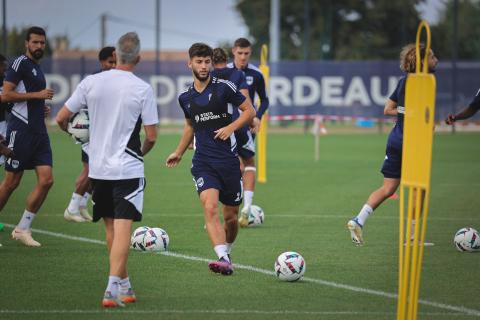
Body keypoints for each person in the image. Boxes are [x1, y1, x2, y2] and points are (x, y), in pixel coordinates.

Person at [56, 32, 158, 307]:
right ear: (138, 57)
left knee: (111, 228)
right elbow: (151, 137)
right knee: (123, 228)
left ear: (116, 54)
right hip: (128, 168)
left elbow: (61, 118)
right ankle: (111, 288)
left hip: (98, 169)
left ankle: (124, 285)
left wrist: (79, 137)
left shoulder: (91, 82)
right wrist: (141, 155)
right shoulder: (142, 88)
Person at [166, 43, 255, 275]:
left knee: (231, 218)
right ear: (190, 64)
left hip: (228, 162)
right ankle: (223, 258)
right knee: (210, 207)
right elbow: (189, 127)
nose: (204, 66)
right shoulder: (185, 97)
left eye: (207, 62)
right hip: (203, 162)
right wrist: (178, 151)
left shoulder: (224, 87)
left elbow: (249, 111)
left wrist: (231, 127)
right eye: (199, 62)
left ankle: (228, 249)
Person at [347, 43, 438, 246]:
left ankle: (358, 220)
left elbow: (388, 109)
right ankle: (412, 238)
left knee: (388, 188)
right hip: (413, 142)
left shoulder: (404, 81)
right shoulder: (426, 82)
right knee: (419, 190)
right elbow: (426, 118)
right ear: (423, 62)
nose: (436, 60)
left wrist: (407, 112)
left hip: (395, 139)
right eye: (432, 57)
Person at [0, 26, 55, 247]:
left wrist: (39, 106)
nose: (39, 46)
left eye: (42, 43)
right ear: (27, 43)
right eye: (35, 42)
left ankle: (23, 228)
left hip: (39, 133)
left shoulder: (36, 68)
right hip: (20, 131)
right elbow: (6, 95)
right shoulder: (19, 64)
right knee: (11, 182)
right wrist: (37, 95)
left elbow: (23, 99)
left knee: (47, 180)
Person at [64, 46, 116, 223]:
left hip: (105, 134)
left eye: (116, 62)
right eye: (110, 62)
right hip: (92, 134)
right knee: (89, 170)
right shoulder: (94, 80)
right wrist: (75, 130)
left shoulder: (116, 80)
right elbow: (78, 107)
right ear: (102, 62)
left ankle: (81, 205)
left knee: (97, 171)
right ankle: (71, 208)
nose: (114, 65)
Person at [228, 38, 269, 227]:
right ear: (233, 52)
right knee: (234, 165)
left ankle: (246, 209)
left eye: (246, 53)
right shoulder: (224, 71)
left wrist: (258, 116)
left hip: (247, 126)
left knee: (245, 164)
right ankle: (233, 210)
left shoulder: (256, 74)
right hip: (227, 125)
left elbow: (264, 100)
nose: (243, 57)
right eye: (240, 53)